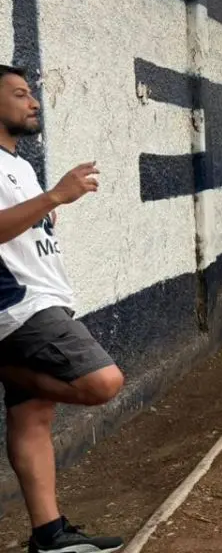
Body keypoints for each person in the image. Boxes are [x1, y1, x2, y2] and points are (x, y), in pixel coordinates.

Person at [0, 66, 126, 553]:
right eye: (19, 94)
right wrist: (54, 196)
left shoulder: (20, 165)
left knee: (33, 418)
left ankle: (49, 535)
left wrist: (47, 204)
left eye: (31, 94)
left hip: (46, 297)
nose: (33, 102)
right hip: (20, 306)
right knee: (103, 381)